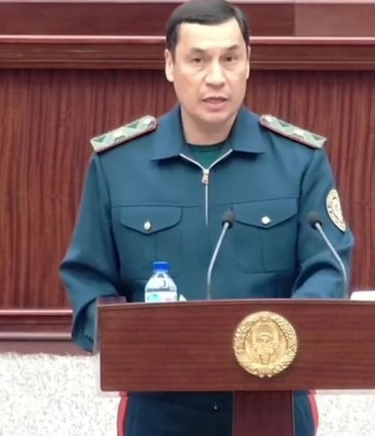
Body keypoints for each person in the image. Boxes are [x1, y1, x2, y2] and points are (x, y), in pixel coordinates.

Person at [59, 0, 355, 435]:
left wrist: (278, 339)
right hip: (160, 403)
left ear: (248, 63)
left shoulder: (299, 161)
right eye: (198, 60)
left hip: (271, 398)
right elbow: (88, 279)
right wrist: (127, 336)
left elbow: (328, 268)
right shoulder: (118, 165)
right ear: (169, 65)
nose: (216, 77)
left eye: (230, 59)